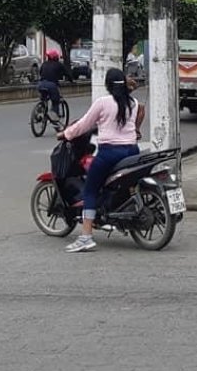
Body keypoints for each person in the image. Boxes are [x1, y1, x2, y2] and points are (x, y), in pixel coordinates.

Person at [57, 68, 145, 253]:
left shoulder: (103, 102)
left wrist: (66, 133)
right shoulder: (133, 103)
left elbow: (84, 124)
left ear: (107, 84)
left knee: (90, 190)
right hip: (132, 151)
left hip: (110, 153)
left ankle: (86, 237)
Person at [37, 50, 72, 120]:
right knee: (56, 100)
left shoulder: (44, 64)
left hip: (41, 84)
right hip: (51, 85)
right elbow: (67, 73)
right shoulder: (59, 64)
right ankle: (54, 114)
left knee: (43, 99)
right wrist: (71, 80)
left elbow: (40, 72)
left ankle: (40, 109)